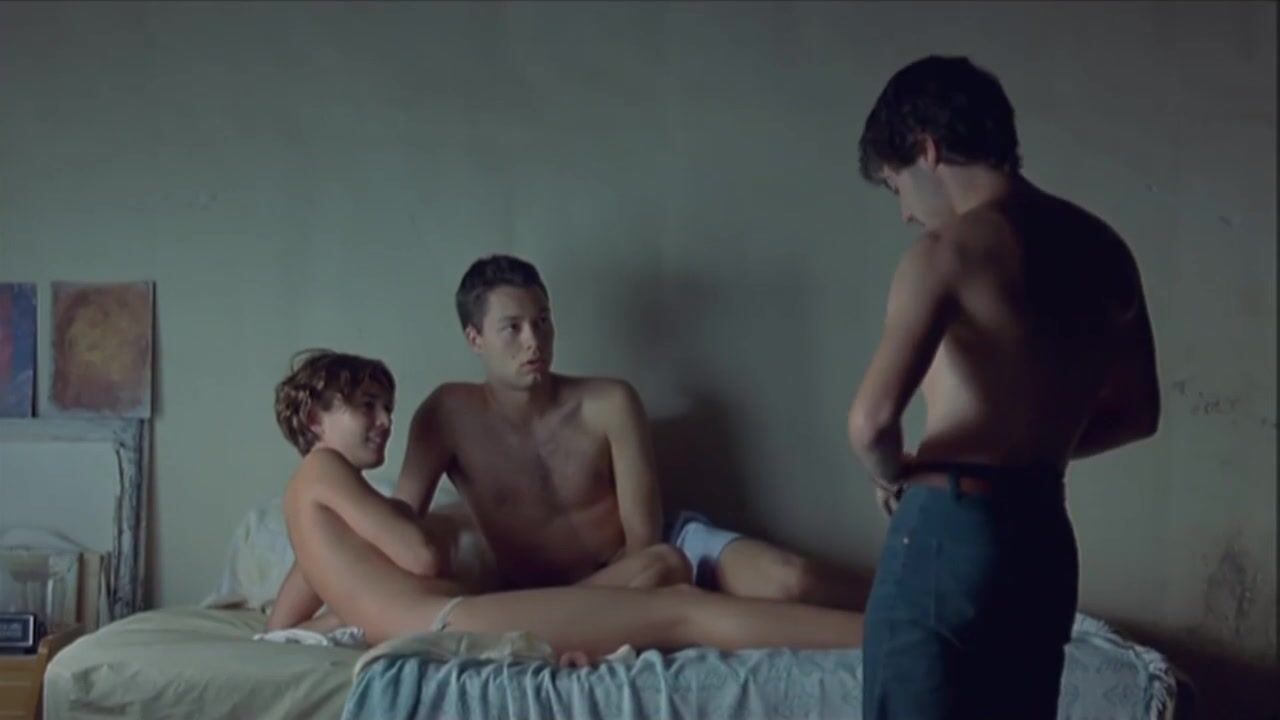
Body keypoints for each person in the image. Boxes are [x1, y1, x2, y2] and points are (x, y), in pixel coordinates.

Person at [849, 55, 1160, 719]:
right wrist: (1030, 451)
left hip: (950, 530)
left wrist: (896, 474)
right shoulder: (1105, 250)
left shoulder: (947, 253)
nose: (905, 213)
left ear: (927, 150)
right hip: (1043, 534)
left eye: (897, 185)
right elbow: (1139, 414)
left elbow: (871, 422)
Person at [266, 349, 863, 661]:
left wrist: (356, 614)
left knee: (671, 589)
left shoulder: (314, 503)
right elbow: (419, 554)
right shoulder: (324, 469)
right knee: (683, 612)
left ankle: (875, 630)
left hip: (445, 621)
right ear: (316, 419)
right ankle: (878, 639)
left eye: (386, 407)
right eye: (366, 407)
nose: (384, 421)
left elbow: (280, 627)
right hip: (449, 622)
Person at [393, 254, 868, 608]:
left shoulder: (609, 403)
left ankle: (905, 602)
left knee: (792, 580)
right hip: (550, 595)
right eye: (512, 328)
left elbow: (646, 542)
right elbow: (398, 522)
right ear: (475, 338)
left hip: (652, 558)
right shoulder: (446, 416)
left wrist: (621, 595)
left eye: (542, 321)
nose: (534, 341)